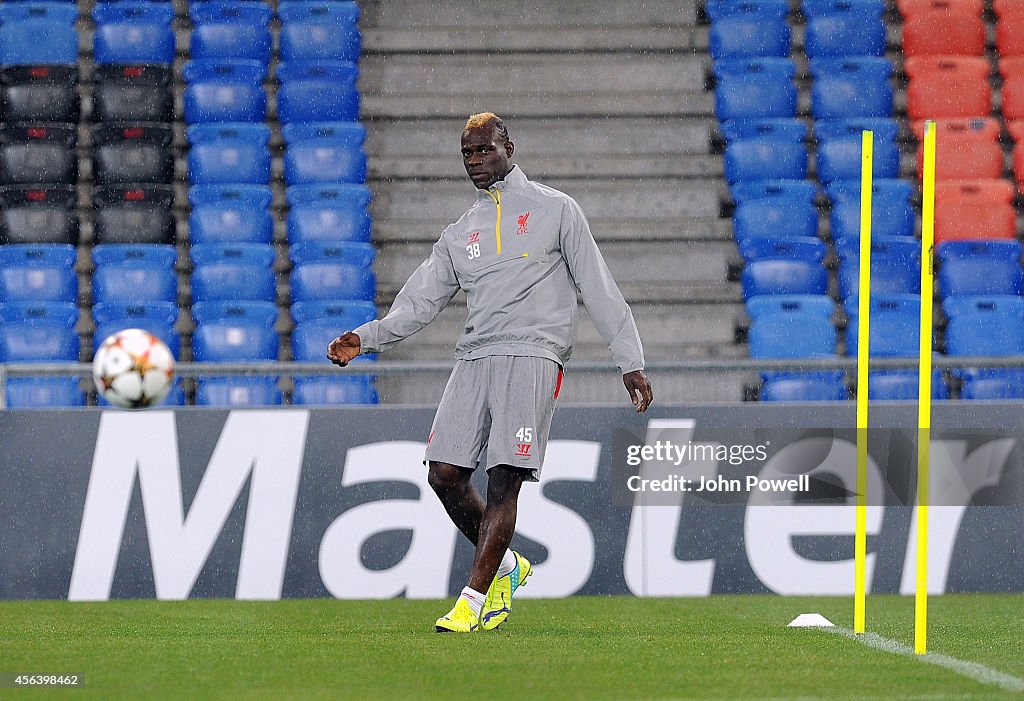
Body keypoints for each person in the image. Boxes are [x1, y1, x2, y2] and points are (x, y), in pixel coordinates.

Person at [327, 112, 652, 633]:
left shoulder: (556, 210)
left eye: (484, 150)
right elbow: (418, 303)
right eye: (467, 155)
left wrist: (630, 360)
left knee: (505, 480)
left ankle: (473, 602)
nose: (476, 161)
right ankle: (506, 566)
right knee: (443, 473)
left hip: (533, 353)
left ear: (509, 147)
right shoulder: (460, 234)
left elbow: (598, 286)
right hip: (475, 355)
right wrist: (365, 338)